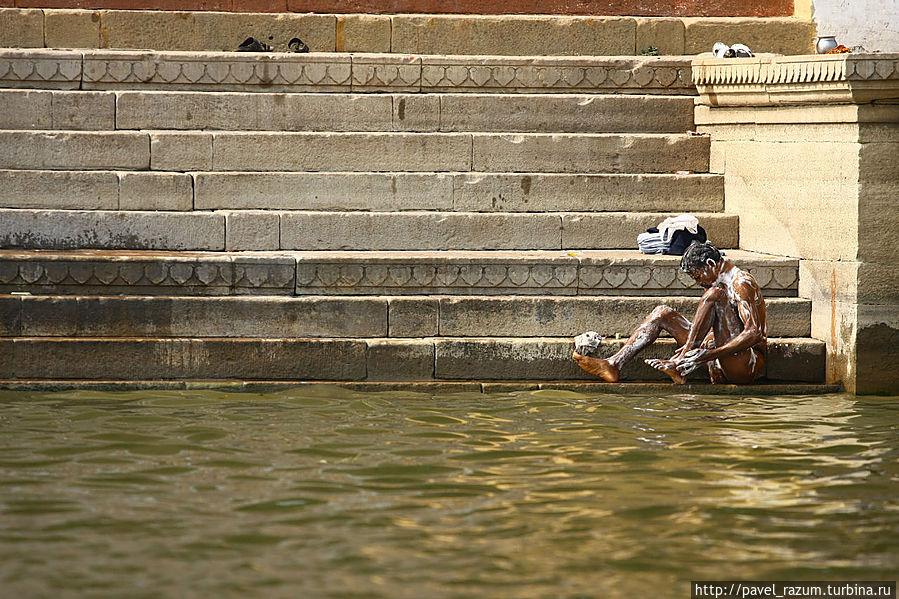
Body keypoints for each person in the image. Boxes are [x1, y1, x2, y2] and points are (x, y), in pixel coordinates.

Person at [573, 242, 767, 384]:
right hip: (716, 354)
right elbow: (720, 328)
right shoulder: (715, 280)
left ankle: (681, 361)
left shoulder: (741, 283)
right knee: (662, 312)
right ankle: (613, 364)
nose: (698, 283)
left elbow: (754, 333)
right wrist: (703, 347)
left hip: (746, 365)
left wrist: (706, 355)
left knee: (714, 294)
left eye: (698, 277)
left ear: (710, 264)